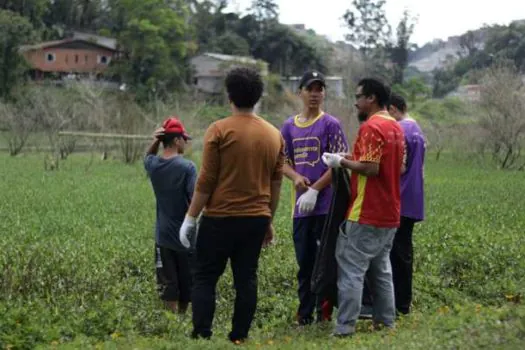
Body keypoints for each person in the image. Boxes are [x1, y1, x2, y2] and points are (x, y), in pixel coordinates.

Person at [179, 67, 285, 343]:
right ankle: (239, 336)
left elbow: (206, 180)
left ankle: (202, 334)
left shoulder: (219, 129)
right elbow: (276, 184)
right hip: (256, 218)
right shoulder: (274, 135)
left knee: (204, 277)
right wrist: (268, 220)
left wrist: (190, 218)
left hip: (219, 218)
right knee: (246, 278)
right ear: (258, 97)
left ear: (230, 96)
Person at [322, 78, 405, 337]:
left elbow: (371, 168)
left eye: (359, 96)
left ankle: (345, 326)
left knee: (351, 269)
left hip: (366, 212)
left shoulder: (371, 127)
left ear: (371, 98)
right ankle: (385, 322)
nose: (355, 102)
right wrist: (350, 158)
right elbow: (397, 167)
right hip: (390, 213)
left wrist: (340, 163)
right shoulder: (395, 127)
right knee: (381, 269)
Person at [280, 70, 349, 325]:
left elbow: (339, 162)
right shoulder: (289, 126)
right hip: (301, 209)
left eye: (320, 89)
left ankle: (325, 313)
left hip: (326, 207)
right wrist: (296, 178)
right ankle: (304, 313)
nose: (315, 94)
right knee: (305, 262)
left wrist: (315, 188)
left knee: (326, 262)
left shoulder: (330, 124)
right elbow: (281, 161)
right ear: (301, 92)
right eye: (310, 89)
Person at [144, 117, 196, 314]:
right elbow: (193, 200)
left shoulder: (154, 166)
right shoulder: (187, 167)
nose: (186, 142)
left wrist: (155, 140)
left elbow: (147, 158)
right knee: (187, 283)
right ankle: (183, 322)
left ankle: (171, 324)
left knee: (168, 282)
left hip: (163, 236)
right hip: (186, 237)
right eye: (184, 138)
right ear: (176, 141)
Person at [387, 93, 426, 315]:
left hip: (399, 198)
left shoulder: (400, 130)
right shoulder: (417, 129)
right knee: (404, 252)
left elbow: (399, 167)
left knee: (395, 254)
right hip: (413, 199)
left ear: (392, 109)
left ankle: (399, 304)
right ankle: (403, 303)